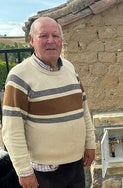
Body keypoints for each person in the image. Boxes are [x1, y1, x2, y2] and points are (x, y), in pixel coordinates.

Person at [2, 17, 96, 188]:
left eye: (55, 36)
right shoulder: (20, 77)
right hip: (43, 173)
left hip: (75, 166)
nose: (51, 41)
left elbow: (83, 110)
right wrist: (24, 171)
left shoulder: (69, 68)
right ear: (31, 40)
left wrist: (90, 144)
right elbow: (12, 130)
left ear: (61, 40)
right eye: (43, 36)